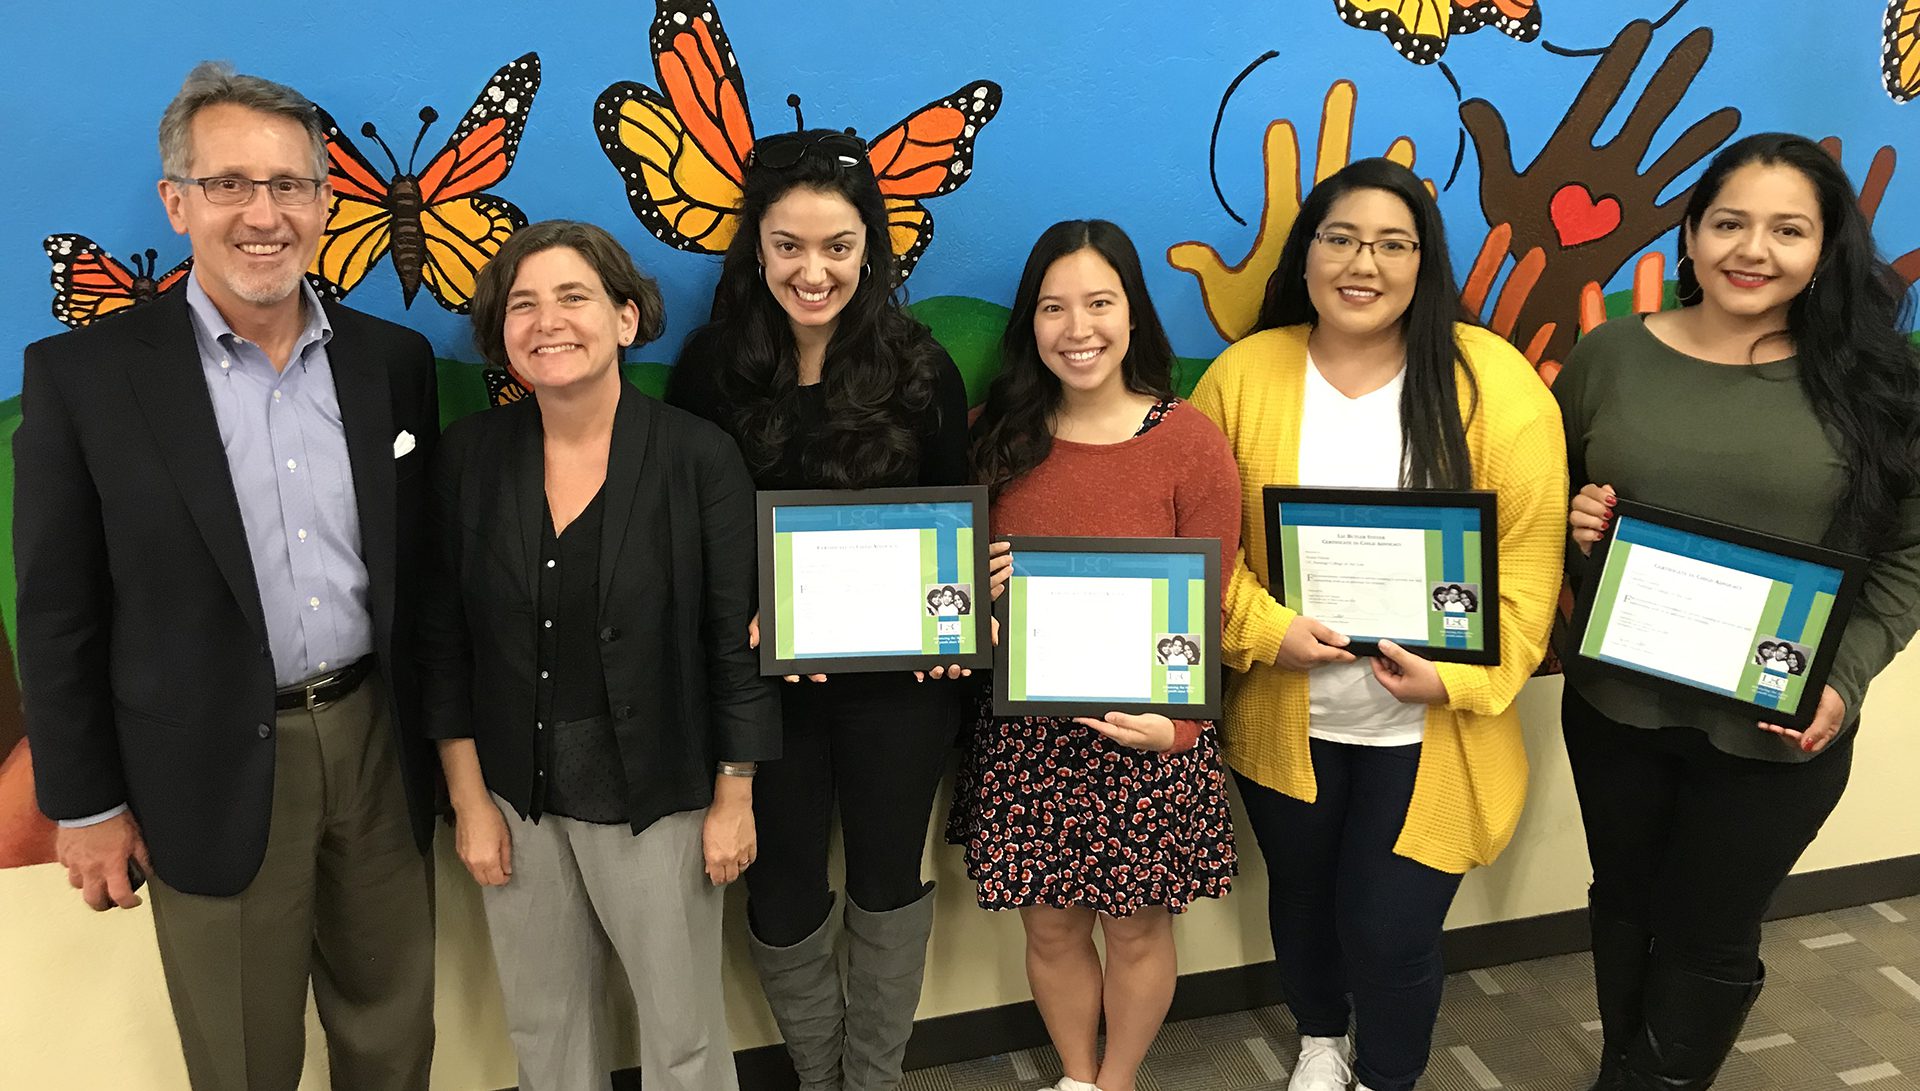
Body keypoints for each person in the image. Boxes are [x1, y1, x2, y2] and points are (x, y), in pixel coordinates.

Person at [14, 62, 440, 1090]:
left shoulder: (396, 360)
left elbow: (423, 575)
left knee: (393, 1030)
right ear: (178, 200)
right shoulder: (85, 379)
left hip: (379, 742)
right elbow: (58, 610)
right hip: (201, 767)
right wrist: (85, 804)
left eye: (290, 184)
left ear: (327, 202)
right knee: (243, 1057)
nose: (264, 213)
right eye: (229, 184)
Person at [1189, 158, 1566, 1091]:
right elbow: (1195, 544)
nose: (1365, 262)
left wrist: (1460, 678)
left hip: (1429, 726)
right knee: (1306, 900)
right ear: (1308, 253)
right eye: (1341, 238)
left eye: (1393, 243)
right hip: (1291, 717)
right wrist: (1263, 628)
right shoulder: (1244, 375)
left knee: (1390, 928)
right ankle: (1321, 1037)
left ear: (1423, 261)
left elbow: (1527, 560)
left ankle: (1387, 1076)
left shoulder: (1494, 383)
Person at [1557, 132, 1920, 1091]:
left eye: (1787, 229)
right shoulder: (1610, 355)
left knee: (1710, 927)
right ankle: (1619, 1071)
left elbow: (1908, 556)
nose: (1752, 249)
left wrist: (1842, 678)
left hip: (1776, 726)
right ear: (1688, 233)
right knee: (1624, 900)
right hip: (1615, 709)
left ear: (1826, 247)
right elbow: (1548, 510)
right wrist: (1578, 524)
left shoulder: (1876, 381)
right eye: (1729, 222)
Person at [417, 220, 778, 1091]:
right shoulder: (467, 458)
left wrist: (735, 795)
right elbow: (442, 641)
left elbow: (736, 643)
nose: (548, 320)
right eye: (523, 304)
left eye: (573, 297)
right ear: (500, 333)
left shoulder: (698, 457)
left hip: (659, 794)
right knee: (543, 1024)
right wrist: (469, 799)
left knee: (681, 1029)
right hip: (515, 795)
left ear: (625, 316)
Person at [666, 128, 972, 1091]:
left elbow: (956, 523)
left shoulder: (922, 369)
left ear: (870, 249)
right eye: (789, 245)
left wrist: (951, 627)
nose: (813, 270)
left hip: (898, 694)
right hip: (767, 692)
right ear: (755, 246)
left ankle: (871, 1079)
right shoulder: (709, 371)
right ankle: (817, 1070)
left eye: (838, 247)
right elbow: (688, 540)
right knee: (784, 885)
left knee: (888, 877)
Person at [950, 219, 1240, 1091]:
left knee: (1141, 930)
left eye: (1099, 303)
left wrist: (1181, 732)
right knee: (1049, 929)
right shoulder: (989, 436)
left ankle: (1117, 1082)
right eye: (1054, 307)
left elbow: (1210, 604)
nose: (1078, 329)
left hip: (1149, 733)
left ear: (1132, 312)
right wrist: (980, 617)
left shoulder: (1188, 439)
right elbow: (947, 587)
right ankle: (1076, 1075)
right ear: (1029, 324)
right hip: (1030, 738)